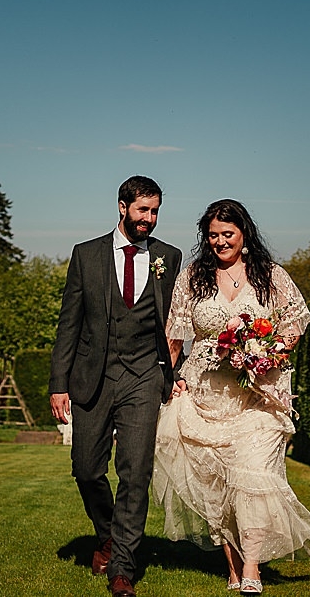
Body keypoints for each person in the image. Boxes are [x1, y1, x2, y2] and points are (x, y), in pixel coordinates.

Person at [152, 199, 310, 595]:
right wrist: (167, 379)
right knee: (216, 486)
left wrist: (268, 352)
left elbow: (294, 324)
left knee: (253, 475)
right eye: (212, 236)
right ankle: (231, 566)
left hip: (259, 396)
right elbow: (173, 336)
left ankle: (252, 568)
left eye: (227, 234)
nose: (220, 242)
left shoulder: (271, 276)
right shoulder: (193, 277)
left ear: (244, 234)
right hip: (204, 394)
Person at [50, 176, 184, 597]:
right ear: (122, 206)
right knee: (87, 469)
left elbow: (174, 323)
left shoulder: (169, 256)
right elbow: (68, 323)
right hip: (93, 375)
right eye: (143, 210)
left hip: (144, 375)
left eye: (156, 210)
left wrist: (174, 374)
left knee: (136, 471)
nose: (150, 219)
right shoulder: (86, 255)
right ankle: (107, 534)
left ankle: (122, 566)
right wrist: (59, 384)